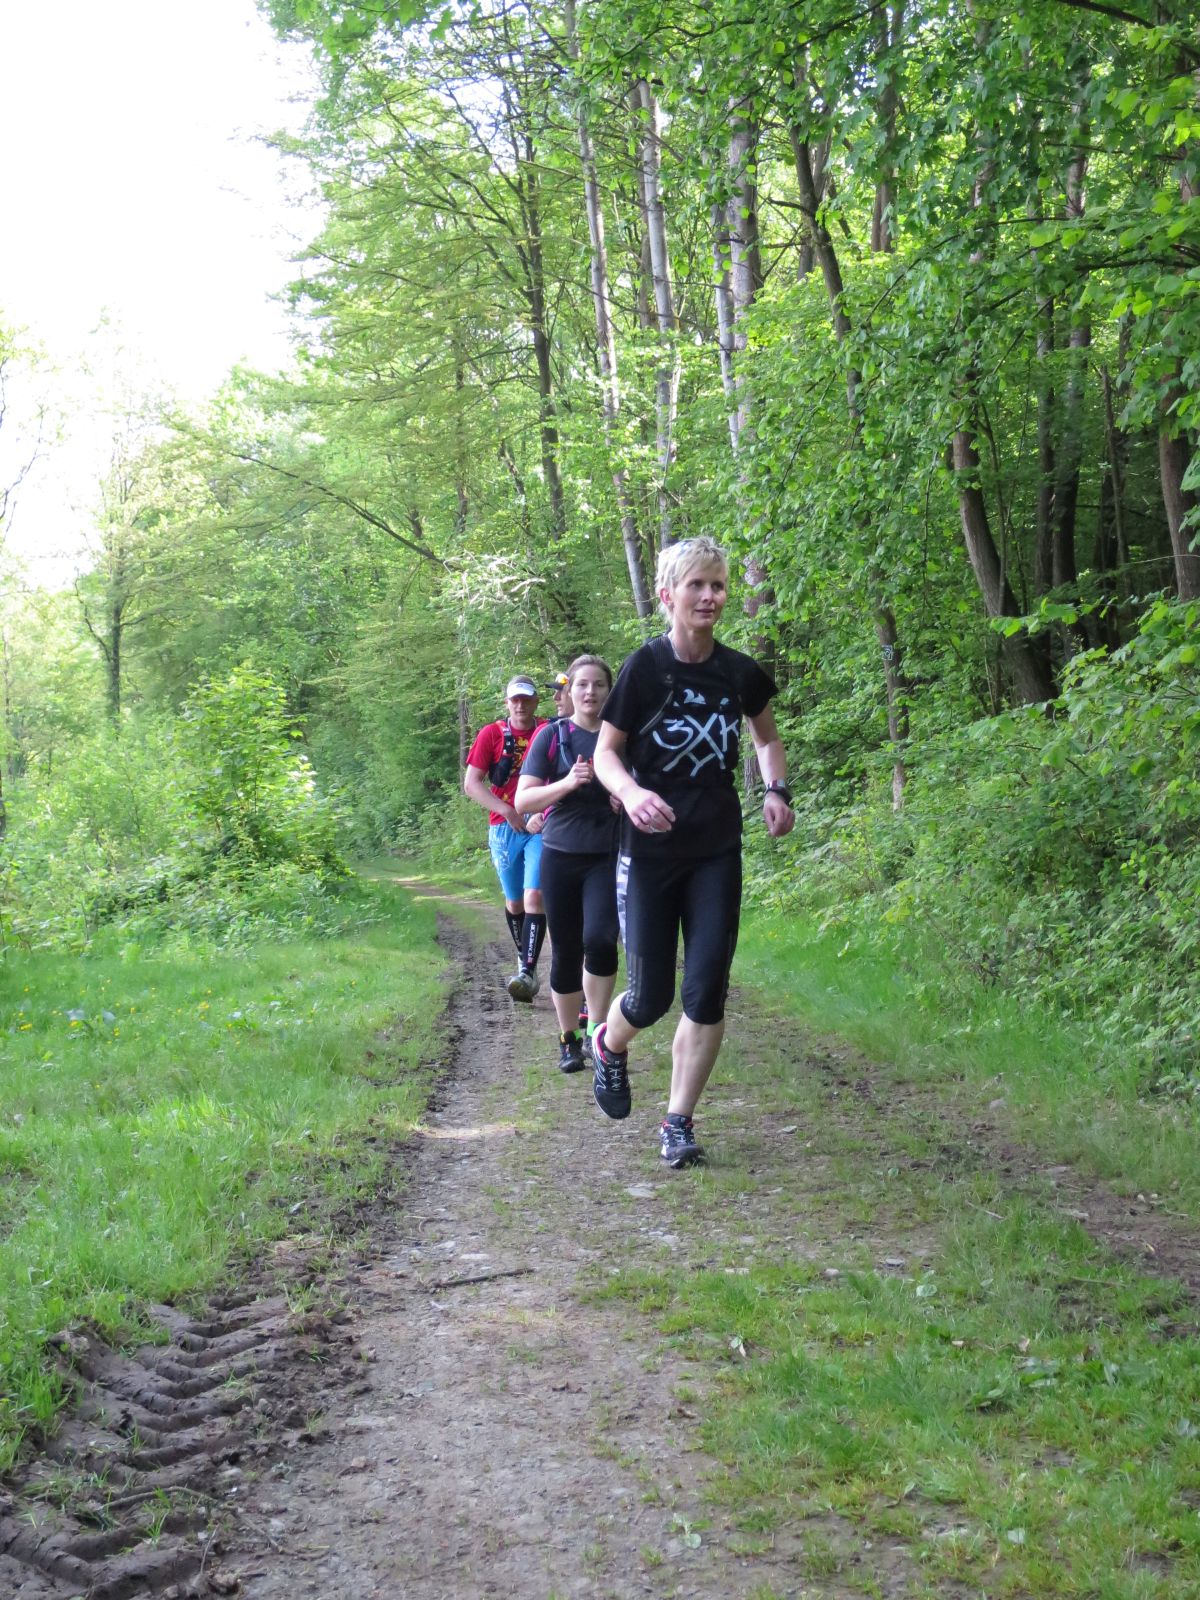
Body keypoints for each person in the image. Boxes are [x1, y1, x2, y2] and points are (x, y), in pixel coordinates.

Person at [591, 537, 795, 1167]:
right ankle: (608, 1043)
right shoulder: (644, 669)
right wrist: (631, 793)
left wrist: (776, 790)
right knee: (650, 997)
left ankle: (677, 1121)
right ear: (667, 595)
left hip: (715, 850)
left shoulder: (738, 672)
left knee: (706, 991)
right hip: (649, 853)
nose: (710, 597)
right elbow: (605, 753)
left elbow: (766, 738)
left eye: (718, 586)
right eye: (697, 586)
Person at [516, 656, 620, 1074]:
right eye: (582, 685)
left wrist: (625, 799)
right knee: (566, 950)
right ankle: (568, 1039)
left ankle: (596, 1030)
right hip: (560, 855)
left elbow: (643, 788)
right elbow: (523, 800)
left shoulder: (621, 735)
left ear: (609, 691)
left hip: (607, 855)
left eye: (598, 685)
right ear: (569, 692)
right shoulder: (552, 736)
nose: (590, 692)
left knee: (601, 940)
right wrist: (566, 783)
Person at [463, 676, 548, 1002]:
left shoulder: (548, 731)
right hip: (503, 827)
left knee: (534, 895)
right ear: (507, 702)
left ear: (536, 701)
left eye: (526, 699)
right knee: (515, 902)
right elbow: (472, 784)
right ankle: (525, 960)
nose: (521, 705)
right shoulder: (492, 734)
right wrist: (506, 810)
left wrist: (545, 810)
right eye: (515, 699)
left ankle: (527, 971)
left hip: (539, 825)